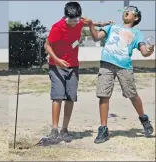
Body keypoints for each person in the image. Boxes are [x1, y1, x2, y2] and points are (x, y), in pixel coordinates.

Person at [41, 1, 113, 145]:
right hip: (57, 66)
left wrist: (102, 23)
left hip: (73, 66)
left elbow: (87, 23)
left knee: (70, 97)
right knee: (58, 96)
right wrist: (58, 60)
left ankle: (64, 129)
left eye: (76, 20)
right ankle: (54, 129)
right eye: (70, 20)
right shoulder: (57, 27)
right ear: (65, 17)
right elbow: (47, 45)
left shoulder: (79, 21)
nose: (74, 23)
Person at [87, 6, 154, 144]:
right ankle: (103, 128)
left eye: (130, 11)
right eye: (125, 10)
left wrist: (150, 51)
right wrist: (90, 25)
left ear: (135, 18)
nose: (126, 12)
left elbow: (144, 52)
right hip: (106, 63)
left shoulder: (137, 33)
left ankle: (144, 119)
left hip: (124, 67)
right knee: (103, 95)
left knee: (132, 95)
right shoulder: (112, 26)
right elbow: (95, 38)